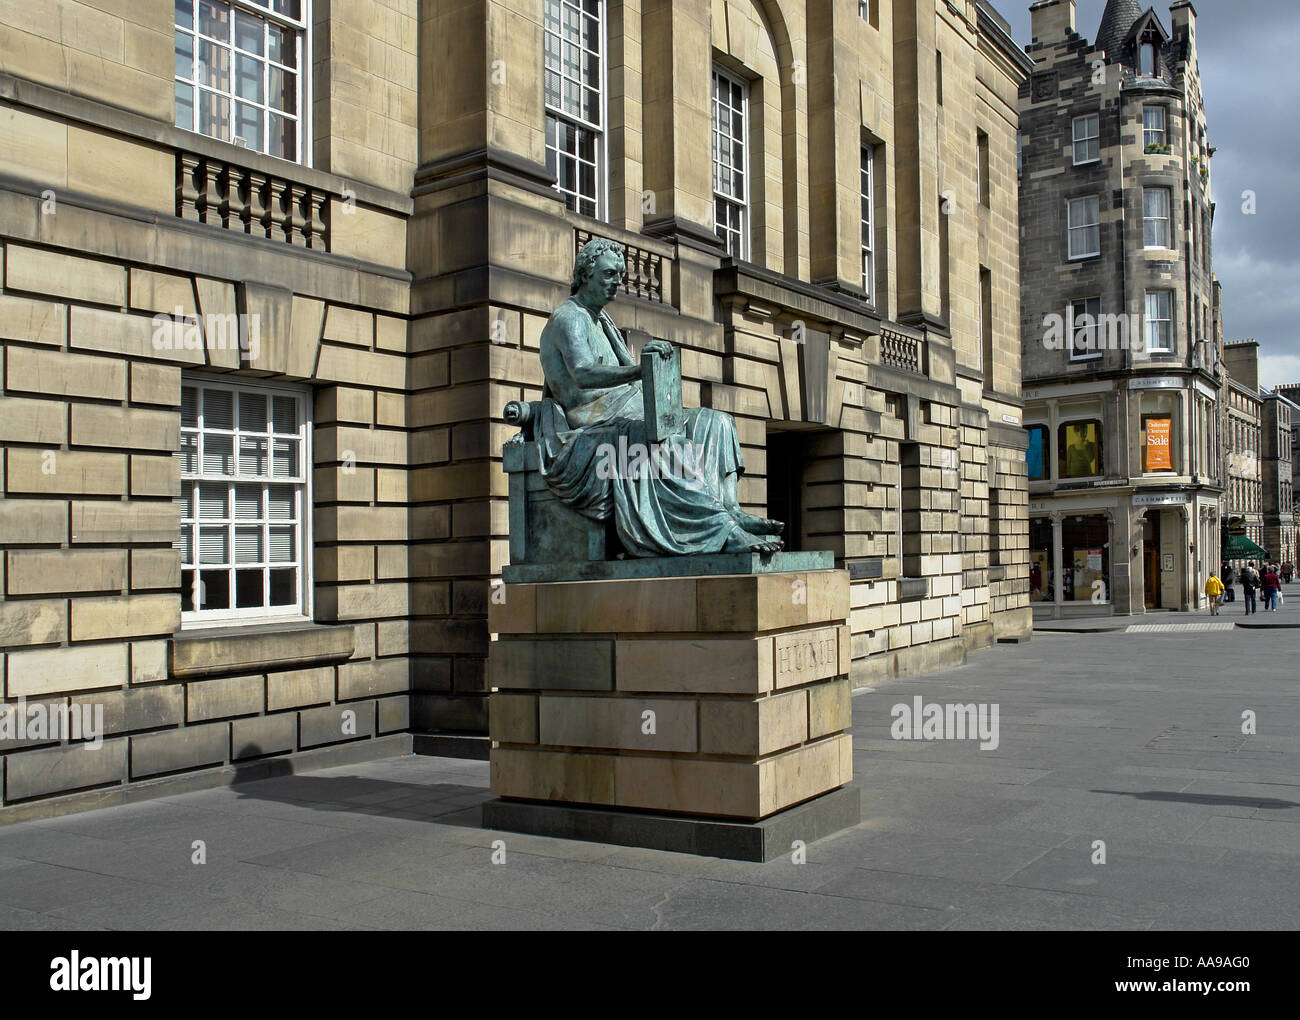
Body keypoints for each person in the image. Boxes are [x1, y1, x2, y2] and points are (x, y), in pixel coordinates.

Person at [530, 238, 782, 557]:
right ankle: (720, 531)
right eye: (608, 275)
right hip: (594, 424)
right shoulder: (570, 317)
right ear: (584, 275)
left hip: (630, 411)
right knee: (660, 441)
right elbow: (584, 373)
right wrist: (641, 370)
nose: (615, 284)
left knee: (716, 422)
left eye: (619, 277)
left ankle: (730, 508)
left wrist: (659, 382)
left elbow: (631, 382)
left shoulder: (602, 320)